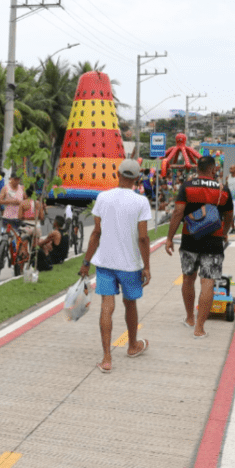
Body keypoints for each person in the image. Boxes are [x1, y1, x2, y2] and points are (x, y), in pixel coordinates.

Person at [79, 159, 151, 373]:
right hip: (130, 265)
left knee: (106, 308)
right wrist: (146, 266)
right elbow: (144, 238)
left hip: (105, 264)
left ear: (117, 173)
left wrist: (85, 262)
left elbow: (96, 233)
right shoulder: (141, 202)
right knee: (130, 305)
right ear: (137, 179)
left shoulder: (103, 197)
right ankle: (132, 345)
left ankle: (107, 358)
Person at [165, 155, 233, 339]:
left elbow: (178, 212)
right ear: (213, 169)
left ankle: (189, 318)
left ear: (197, 168)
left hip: (190, 239)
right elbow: (229, 217)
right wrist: (224, 232)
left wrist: (169, 238)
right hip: (213, 241)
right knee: (208, 282)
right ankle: (200, 328)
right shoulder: (223, 190)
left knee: (188, 278)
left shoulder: (187, 187)